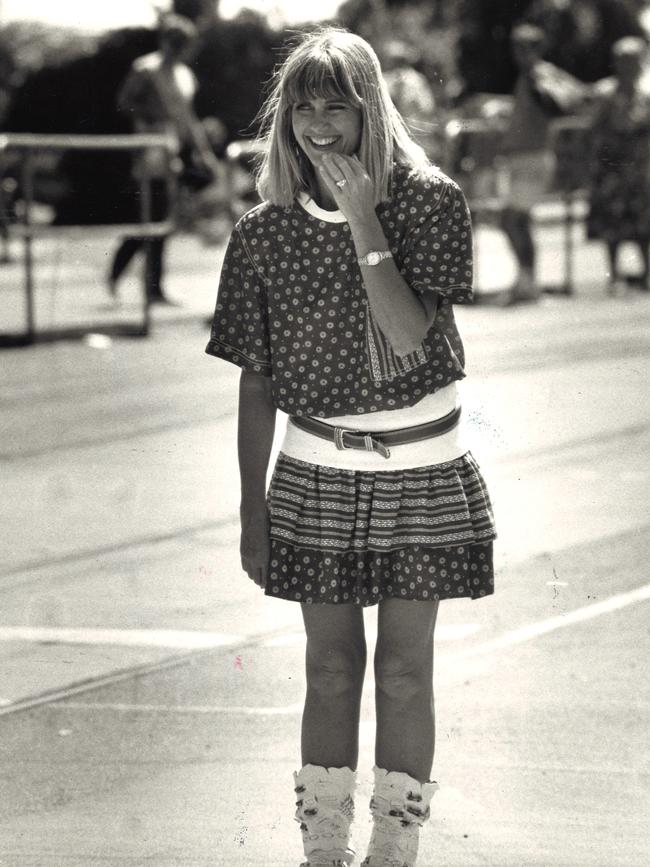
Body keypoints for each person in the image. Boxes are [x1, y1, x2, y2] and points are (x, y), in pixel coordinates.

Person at [205, 28, 496, 867]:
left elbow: (408, 335)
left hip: (426, 471)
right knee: (331, 670)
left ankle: (394, 850)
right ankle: (323, 850)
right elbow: (255, 383)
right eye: (305, 104)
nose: (320, 123)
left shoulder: (431, 199)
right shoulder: (261, 233)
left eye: (338, 103)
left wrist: (364, 215)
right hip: (313, 473)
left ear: (371, 108)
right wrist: (251, 508)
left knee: (404, 673)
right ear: (285, 114)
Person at [108, 14, 221, 304]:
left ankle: (153, 286)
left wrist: (204, 153)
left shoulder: (184, 75)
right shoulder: (146, 69)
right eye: (174, 41)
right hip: (151, 148)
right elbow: (125, 103)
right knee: (151, 215)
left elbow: (189, 117)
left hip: (175, 149)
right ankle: (121, 273)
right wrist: (154, 118)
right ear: (164, 41)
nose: (178, 48)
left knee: (164, 218)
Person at [499, 23, 587, 302]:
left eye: (526, 47)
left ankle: (528, 282)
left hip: (533, 155)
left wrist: (543, 94)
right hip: (524, 156)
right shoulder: (532, 75)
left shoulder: (540, 74)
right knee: (518, 221)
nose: (519, 53)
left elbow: (563, 101)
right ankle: (526, 281)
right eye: (517, 47)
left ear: (538, 48)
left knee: (513, 220)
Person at [587, 36, 650, 294]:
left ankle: (646, 272)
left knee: (643, 223)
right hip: (612, 168)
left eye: (634, 61)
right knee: (611, 224)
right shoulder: (605, 94)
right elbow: (593, 130)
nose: (629, 67)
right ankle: (614, 274)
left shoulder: (645, 96)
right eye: (624, 61)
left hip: (638, 169)